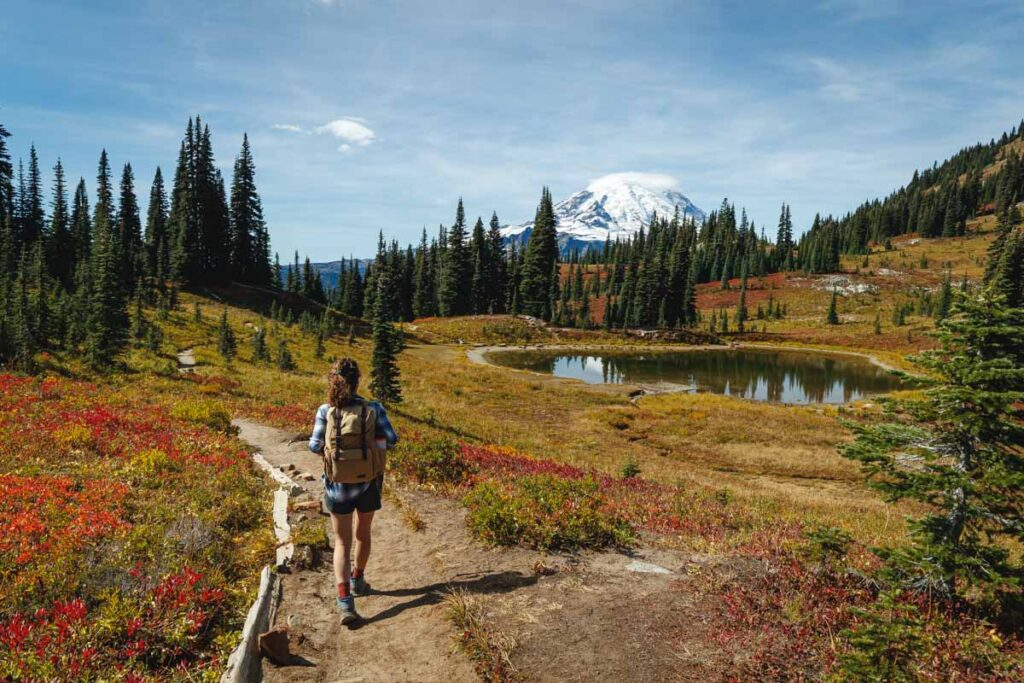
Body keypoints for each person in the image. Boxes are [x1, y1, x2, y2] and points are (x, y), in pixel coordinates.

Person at [309, 358, 398, 624]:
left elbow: (314, 446)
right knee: (363, 534)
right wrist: (368, 449)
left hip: (337, 485)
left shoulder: (325, 410)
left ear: (332, 379)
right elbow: (391, 440)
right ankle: (359, 579)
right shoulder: (374, 408)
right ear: (358, 380)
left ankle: (345, 601)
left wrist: (337, 452)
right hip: (369, 482)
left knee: (341, 542)